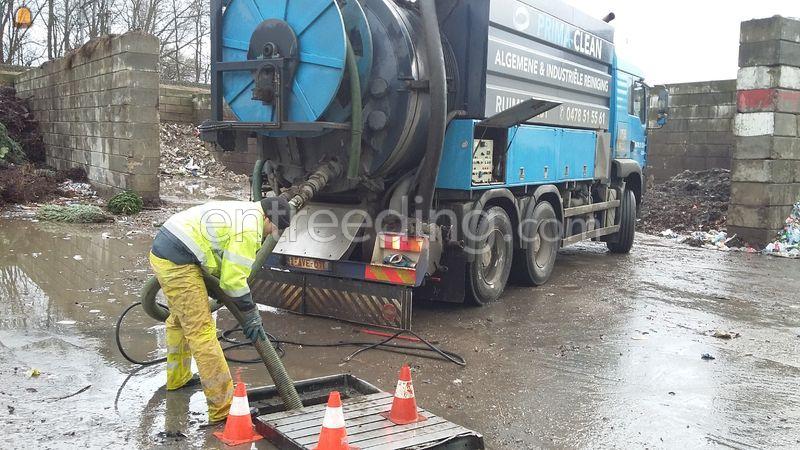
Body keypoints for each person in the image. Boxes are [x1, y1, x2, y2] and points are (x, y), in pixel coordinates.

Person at [148, 197, 291, 423]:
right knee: (202, 331)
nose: (269, 235)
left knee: (179, 320)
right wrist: (250, 313)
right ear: (267, 217)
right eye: (272, 228)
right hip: (177, 259)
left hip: (169, 248)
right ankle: (223, 408)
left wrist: (217, 284)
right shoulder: (250, 229)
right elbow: (233, 282)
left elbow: (221, 257)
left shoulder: (246, 210)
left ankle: (178, 378)